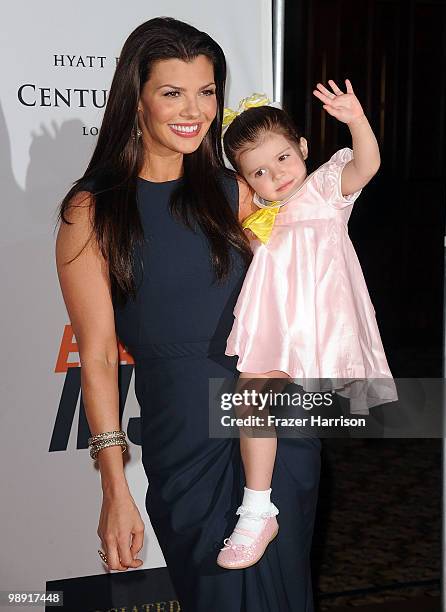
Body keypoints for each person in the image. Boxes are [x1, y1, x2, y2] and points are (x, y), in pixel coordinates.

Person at [54, 16, 321, 611]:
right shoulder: (93, 209)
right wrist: (114, 485)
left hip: (276, 426)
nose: (194, 110)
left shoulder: (245, 190)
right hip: (185, 436)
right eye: (172, 92)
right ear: (137, 98)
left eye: (207, 91)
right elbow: (96, 355)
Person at [217, 80, 397, 569]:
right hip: (275, 327)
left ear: (302, 148)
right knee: (249, 399)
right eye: (258, 171)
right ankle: (257, 509)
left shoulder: (323, 187)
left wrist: (356, 119)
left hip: (316, 322)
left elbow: (368, 165)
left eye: (282, 159)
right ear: (246, 180)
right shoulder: (257, 216)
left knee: (298, 420)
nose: (275, 176)